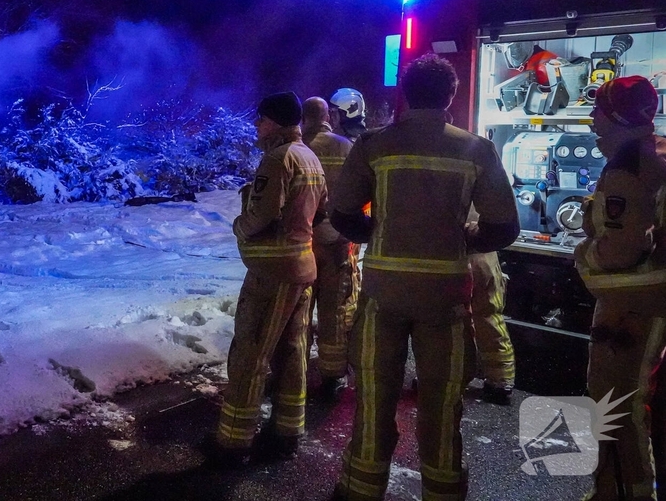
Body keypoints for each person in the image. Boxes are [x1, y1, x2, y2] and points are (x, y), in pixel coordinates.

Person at [328, 54, 519, 501]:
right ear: (451, 96)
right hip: (446, 299)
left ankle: (359, 491)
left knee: (374, 400)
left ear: (406, 94)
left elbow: (343, 214)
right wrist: (464, 236)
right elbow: (504, 227)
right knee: (443, 406)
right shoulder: (476, 149)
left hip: (383, 295)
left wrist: (382, 232)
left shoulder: (373, 145)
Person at [209, 91, 326, 467]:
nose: (256, 125)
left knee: (251, 353)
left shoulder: (278, 159)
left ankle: (233, 441)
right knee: (291, 352)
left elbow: (261, 215)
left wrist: (239, 226)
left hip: (272, 275)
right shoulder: (310, 157)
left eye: (260, 119)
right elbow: (321, 212)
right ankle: (287, 431)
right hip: (301, 269)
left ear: (274, 122)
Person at [575, 75, 666, 501]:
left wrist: (584, 256)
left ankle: (621, 493)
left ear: (616, 118)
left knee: (616, 403)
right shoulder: (654, 153)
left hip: (634, 306)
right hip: (648, 303)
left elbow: (621, 250)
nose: (593, 119)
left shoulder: (628, 167)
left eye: (599, 110)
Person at [301, 96, 359, 401]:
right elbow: (358, 194)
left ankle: (294, 372)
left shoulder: (294, 149)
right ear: (329, 117)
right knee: (333, 309)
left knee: (298, 312)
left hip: (300, 244)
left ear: (304, 118)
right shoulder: (345, 147)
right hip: (337, 242)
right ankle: (333, 374)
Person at [470, 251, 516, 405]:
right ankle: (500, 381)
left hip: (451, 261)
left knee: (443, 322)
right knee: (489, 319)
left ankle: (441, 375)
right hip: (483, 261)